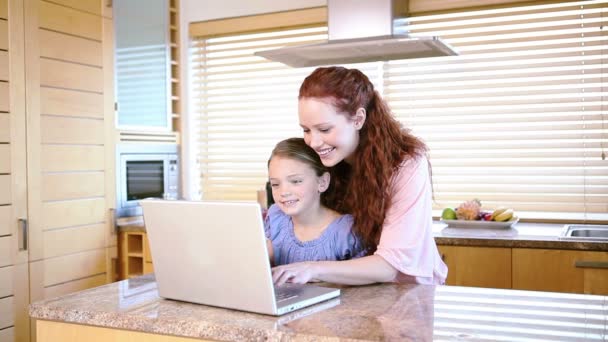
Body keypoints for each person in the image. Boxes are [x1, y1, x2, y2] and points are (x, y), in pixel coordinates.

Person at [271, 66, 448, 286]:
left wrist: (312, 268)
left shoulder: (407, 164)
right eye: (306, 130)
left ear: (358, 119)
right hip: (354, 293)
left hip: (408, 293)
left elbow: (390, 266)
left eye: (324, 129)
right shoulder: (329, 158)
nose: (314, 142)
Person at [265, 137, 365, 266]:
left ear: (322, 182)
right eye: (275, 184)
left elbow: (364, 280)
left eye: (296, 181)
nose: (283, 192)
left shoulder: (346, 231)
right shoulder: (275, 218)